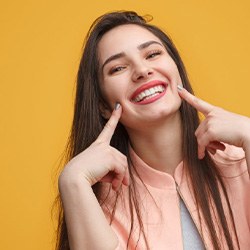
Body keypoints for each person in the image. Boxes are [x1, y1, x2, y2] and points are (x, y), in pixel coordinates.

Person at [55, 11, 250, 250]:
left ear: (177, 69)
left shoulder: (242, 162)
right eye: (117, 68)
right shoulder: (99, 205)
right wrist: (72, 181)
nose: (142, 70)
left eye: (153, 54)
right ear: (103, 105)